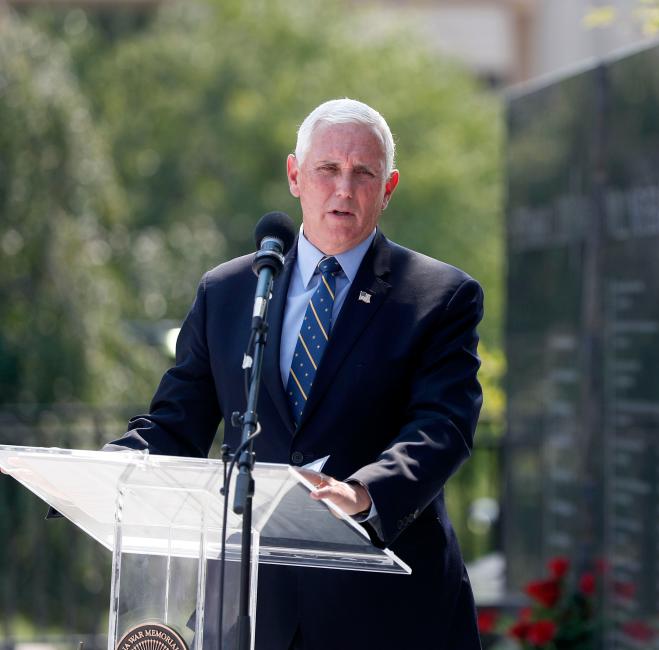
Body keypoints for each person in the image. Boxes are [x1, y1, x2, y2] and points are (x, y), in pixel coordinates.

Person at [107, 98, 484, 649]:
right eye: (328, 169)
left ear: (389, 187)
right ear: (295, 175)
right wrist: (113, 468)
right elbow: (177, 419)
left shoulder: (438, 296)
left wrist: (363, 491)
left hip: (386, 609)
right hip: (250, 604)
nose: (344, 188)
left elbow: (442, 427)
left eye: (364, 173)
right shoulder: (230, 290)